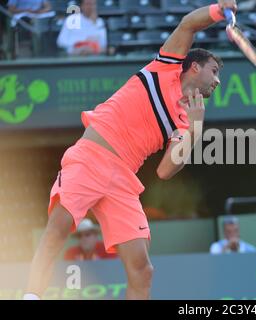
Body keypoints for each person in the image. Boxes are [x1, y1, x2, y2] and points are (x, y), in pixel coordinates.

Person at [24, 0, 235, 300]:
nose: (217, 80)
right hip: (92, 157)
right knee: (59, 227)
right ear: (195, 66)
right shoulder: (166, 67)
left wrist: (196, 129)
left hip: (123, 180)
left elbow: (164, 171)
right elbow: (188, 23)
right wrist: (218, 9)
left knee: (142, 269)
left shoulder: (186, 119)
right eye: (214, 71)